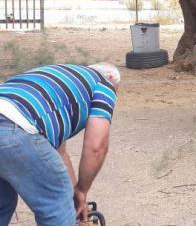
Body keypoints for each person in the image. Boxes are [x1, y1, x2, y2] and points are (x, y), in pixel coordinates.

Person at [0, 63, 120, 226]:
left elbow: (59, 152)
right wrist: (83, 190)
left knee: (3, 203)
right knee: (55, 205)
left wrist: (75, 194)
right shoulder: (104, 85)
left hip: (10, 114)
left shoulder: (59, 76)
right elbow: (96, 147)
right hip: (15, 126)